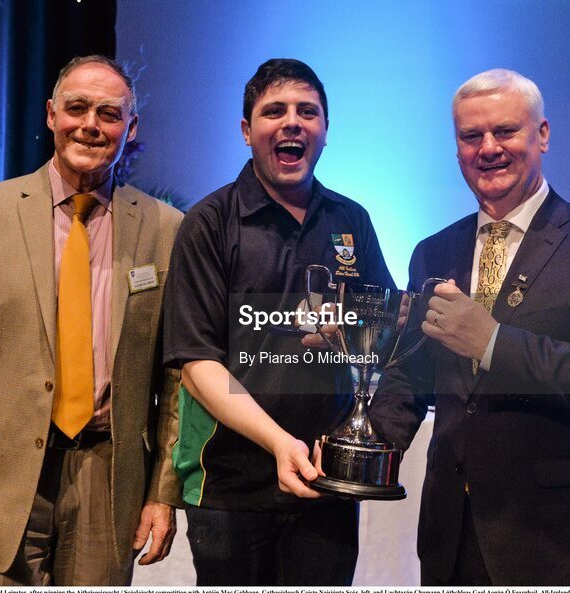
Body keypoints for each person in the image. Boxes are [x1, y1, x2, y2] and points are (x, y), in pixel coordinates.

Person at [370, 69, 570, 586]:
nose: (488, 148)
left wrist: (492, 343)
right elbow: (411, 378)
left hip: (565, 543)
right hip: (452, 538)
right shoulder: (433, 251)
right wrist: (357, 449)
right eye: (470, 136)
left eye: (505, 131)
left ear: (542, 134)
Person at [0, 55, 184, 586]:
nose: (90, 124)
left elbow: (176, 380)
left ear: (131, 127)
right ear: (51, 114)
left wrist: (162, 492)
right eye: (77, 108)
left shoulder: (165, 228)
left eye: (109, 113)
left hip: (110, 484)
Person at [162, 58, 395, 586]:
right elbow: (197, 364)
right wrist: (279, 444)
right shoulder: (209, 222)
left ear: (325, 131)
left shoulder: (351, 220)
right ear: (247, 131)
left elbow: (379, 331)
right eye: (274, 111)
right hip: (231, 487)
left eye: (307, 111)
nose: (292, 122)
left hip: (327, 480)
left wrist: (364, 332)